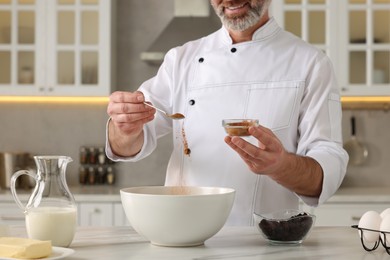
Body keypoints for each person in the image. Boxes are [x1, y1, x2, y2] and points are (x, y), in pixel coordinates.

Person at [106, 0, 348, 225]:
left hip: (264, 244)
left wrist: (281, 165)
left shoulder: (311, 64)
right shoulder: (181, 60)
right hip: (181, 235)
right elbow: (125, 146)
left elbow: (326, 170)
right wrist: (125, 127)